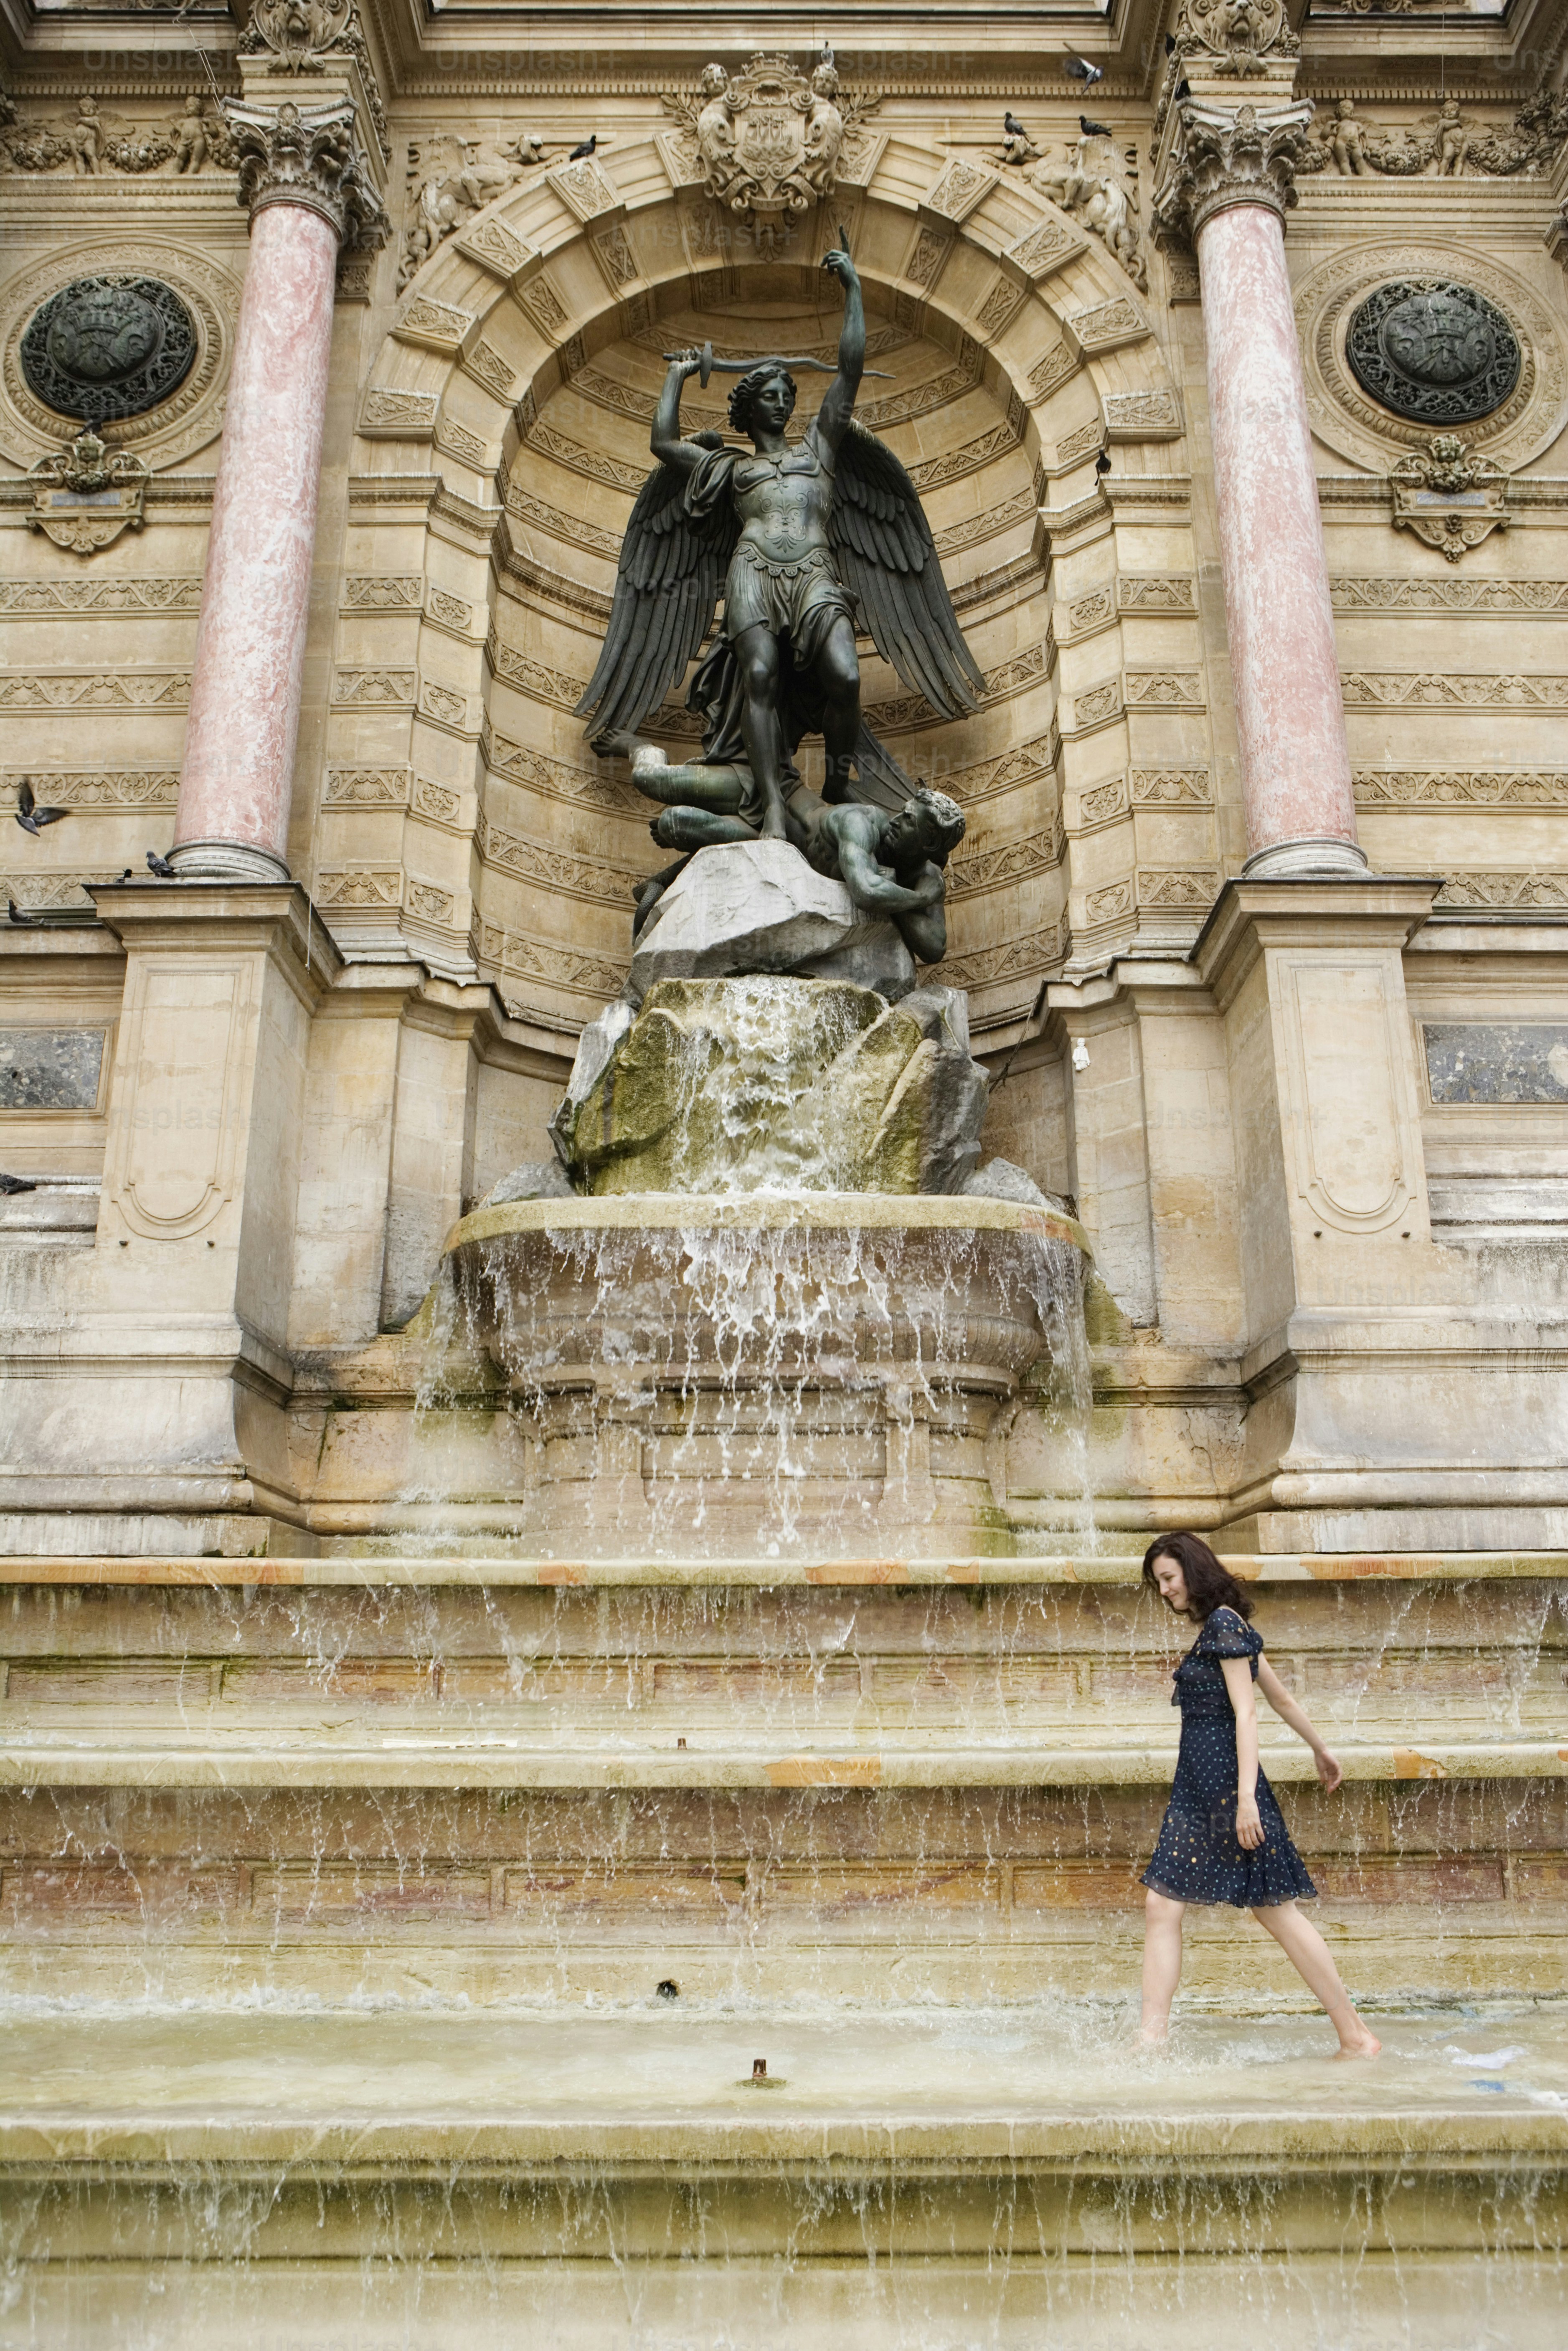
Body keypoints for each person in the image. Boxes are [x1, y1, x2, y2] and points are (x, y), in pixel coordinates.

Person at [1138, 1531, 1381, 2059]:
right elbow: (1282, 1697)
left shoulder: (1224, 1625)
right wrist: (1321, 1749)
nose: (1163, 1590)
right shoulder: (1227, 1625)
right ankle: (1150, 2039)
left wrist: (1247, 1798)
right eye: (1158, 1582)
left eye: (1168, 1578)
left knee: (1277, 1913)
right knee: (1162, 1904)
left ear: (1192, 1571)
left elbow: (1248, 1712)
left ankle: (1356, 2035)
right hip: (1198, 1791)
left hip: (1229, 1791)